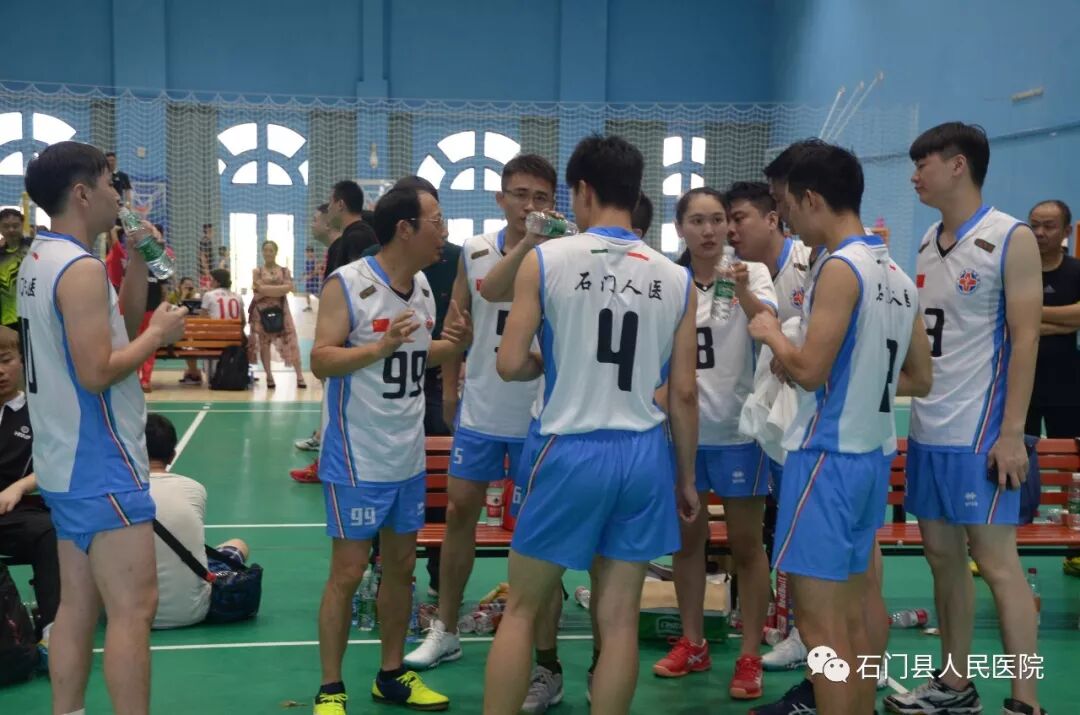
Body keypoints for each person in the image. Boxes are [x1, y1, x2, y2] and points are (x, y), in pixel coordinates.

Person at [482, 134, 700, 715]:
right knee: (619, 619)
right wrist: (684, 478)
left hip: (568, 448)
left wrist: (547, 362)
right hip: (644, 454)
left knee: (522, 610)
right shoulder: (676, 278)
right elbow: (683, 393)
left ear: (582, 190)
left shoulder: (546, 259)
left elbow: (509, 363)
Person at [747, 142, 930, 715]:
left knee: (822, 629)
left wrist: (772, 334)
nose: (786, 221)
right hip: (871, 457)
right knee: (854, 615)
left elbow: (808, 371)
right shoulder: (898, 273)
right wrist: (856, 374)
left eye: (786, 208)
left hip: (825, 457)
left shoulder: (839, 267)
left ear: (811, 199)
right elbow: (920, 378)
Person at [18, 140, 187, 715]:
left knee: (76, 608)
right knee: (134, 610)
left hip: (63, 460)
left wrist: (137, 260)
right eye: (110, 183)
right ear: (82, 193)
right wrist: (159, 337)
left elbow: (118, 328)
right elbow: (97, 372)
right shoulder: (81, 269)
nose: (120, 194)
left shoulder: (41, 260)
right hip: (101, 460)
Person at [884, 123, 1044, 715]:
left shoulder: (1010, 237)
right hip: (929, 427)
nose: (914, 176)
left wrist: (1012, 433)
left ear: (957, 165)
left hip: (982, 431)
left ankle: (1026, 700)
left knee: (998, 566)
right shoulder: (929, 239)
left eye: (922, 164)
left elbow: (1026, 339)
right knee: (942, 560)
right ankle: (955, 686)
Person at [309, 185, 471, 713]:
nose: (444, 232)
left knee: (401, 568)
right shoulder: (348, 283)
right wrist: (379, 346)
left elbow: (416, 356)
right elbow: (321, 360)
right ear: (405, 228)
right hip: (357, 456)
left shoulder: (421, 286)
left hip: (407, 455)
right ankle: (331, 688)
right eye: (436, 221)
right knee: (348, 573)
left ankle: (391, 673)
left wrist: (456, 344)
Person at [404, 155, 557, 706]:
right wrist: (449, 393)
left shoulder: (563, 253)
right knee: (460, 514)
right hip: (483, 412)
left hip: (542, 413)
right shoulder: (473, 249)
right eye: (520, 194)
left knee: (538, 535)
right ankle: (446, 629)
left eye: (541, 197)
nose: (530, 205)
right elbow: (459, 322)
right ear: (500, 199)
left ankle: (544, 659)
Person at [657, 187, 776, 701]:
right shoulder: (668, 280)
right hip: (683, 434)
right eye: (697, 221)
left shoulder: (754, 273)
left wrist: (742, 289)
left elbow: (768, 326)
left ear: (729, 225)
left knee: (747, 546)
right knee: (687, 543)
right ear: (680, 227)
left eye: (717, 220)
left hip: (738, 434)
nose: (709, 231)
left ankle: (750, 655)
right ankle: (693, 642)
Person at [144, 413, 251, 629]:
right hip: (193, 612)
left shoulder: (115, 494)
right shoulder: (194, 489)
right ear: (172, 455)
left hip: (128, 613)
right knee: (238, 545)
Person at [0, 326, 60, 642]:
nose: (0, 371)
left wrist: (21, 486)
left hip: (15, 514)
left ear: (22, 361)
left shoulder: (40, 411)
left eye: (5, 360)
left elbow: (58, 462)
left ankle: (52, 630)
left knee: (50, 531)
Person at [1027, 199, 1080, 437]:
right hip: (1021, 380)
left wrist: (1028, 313)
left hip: (1067, 380)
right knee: (1020, 451)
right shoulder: (1014, 270)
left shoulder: (1076, 271)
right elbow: (1005, 317)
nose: (1039, 232)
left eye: (1048, 226)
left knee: (1069, 449)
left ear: (1066, 231)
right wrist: (1065, 324)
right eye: (1034, 225)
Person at [248, 240, 306, 390]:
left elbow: (289, 288)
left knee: (291, 340)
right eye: (265, 250)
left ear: (276, 252)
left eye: (271, 250)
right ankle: (269, 376)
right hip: (261, 312)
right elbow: (257, 292)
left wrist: (266, 289)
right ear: (262, 252)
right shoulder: (257, 271)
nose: (268, 253)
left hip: (282, 310)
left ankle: (300, 376)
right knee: (264, 343)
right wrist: (279, 289)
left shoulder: (285, 271)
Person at [324, 180, 377, 282]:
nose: (328, 208)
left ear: (340, 204)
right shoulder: (353, 234)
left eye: (330, 202)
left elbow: (359, 284)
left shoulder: (357, 237)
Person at [0, 208, 27, 333]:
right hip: (7, 320)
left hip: (31, 316)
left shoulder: (33, 247)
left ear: (22, 225)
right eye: (6, 226)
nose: (11, 230)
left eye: (15, 226)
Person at [303, 244, 320, 312]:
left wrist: (310, 276)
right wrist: (304, 275)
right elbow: (306, 270)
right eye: (307, 252)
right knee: (307, 293)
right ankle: (309, 306)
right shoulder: (307, 261)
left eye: (310, 252)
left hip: (314, 280)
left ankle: (323, 305)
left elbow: (316, 271)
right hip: (308, 280)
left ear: (312, 252)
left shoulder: (315, 260)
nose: (308, 254)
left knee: (316, 294)